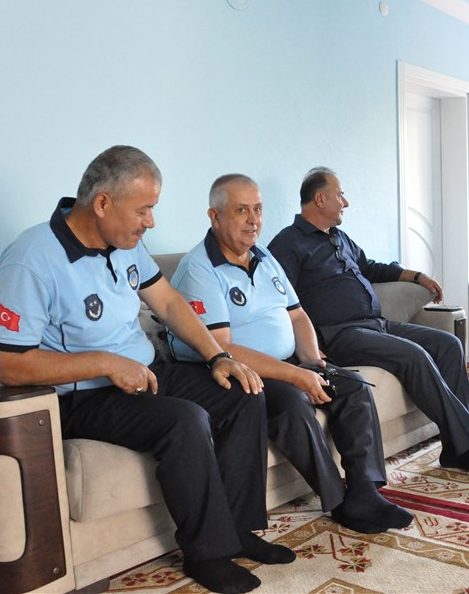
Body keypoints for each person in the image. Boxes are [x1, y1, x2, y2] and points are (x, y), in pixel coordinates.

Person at [0, 146, 293, 594]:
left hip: (143, 372)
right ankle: (207, 554)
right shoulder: (31, 258)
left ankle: (238, 529)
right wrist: (106, 363)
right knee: (185, 420)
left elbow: (167, 301)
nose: (150, 221)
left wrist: (218, 356)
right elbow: (8, 363)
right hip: (82, 395)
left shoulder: (125, 243)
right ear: (103, 203)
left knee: (243, 392)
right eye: (144, 209)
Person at [168, 174, 413, 535]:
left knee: (352, 386)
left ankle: (365, 491)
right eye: (241, 211)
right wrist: (297, 376)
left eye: (258, 210)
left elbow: (297, 315)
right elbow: (222, 348)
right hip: (235, 372)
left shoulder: (264, 257)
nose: (253, 220)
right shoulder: (199, 269)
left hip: (286, 363)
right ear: (214, 216)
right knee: (293, 402)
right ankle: (339, 501)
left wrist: (312, 362)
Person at [267, 167, 469, 474]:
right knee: (414, 356)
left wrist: (416, 276)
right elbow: (278, 301)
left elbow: (370, 268)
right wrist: (306, 349)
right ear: (320, 199)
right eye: (340, 195)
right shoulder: (288, 244)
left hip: (375, 324)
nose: (346, 203)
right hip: (339, 335)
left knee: (448, 345)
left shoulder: (338, 237)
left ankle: (456, 449)